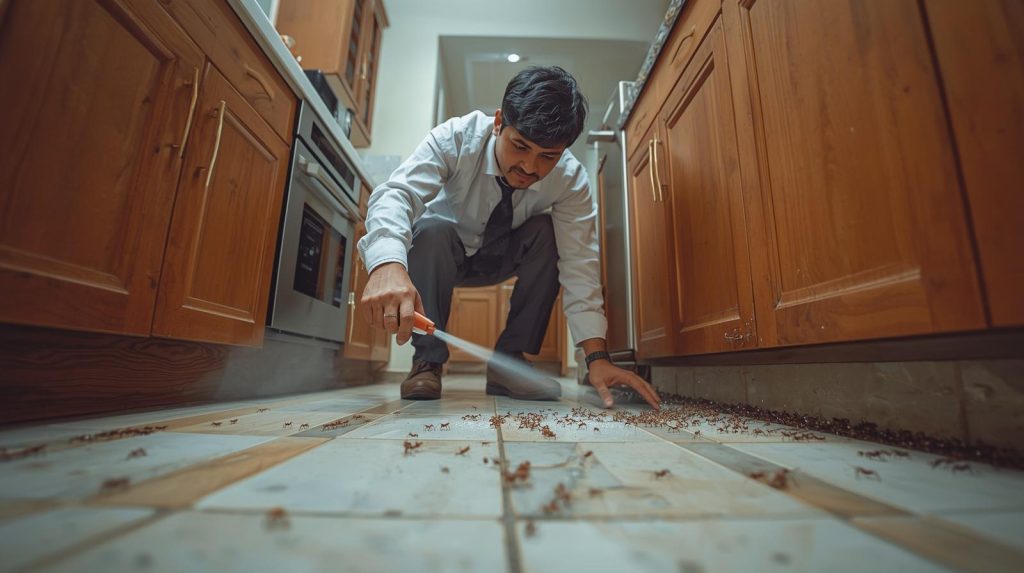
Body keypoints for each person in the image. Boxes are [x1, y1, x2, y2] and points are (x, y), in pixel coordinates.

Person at [357, 65, 660, 410]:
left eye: (548, 156)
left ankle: (509, 362)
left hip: (504, 255)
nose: (530, 167)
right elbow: (397, 194)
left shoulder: (570, 180)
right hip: (443, 255)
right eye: (520, 146)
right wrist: (387, 263)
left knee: (547, 231)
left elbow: (580, 265)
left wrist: (597, 358)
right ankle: (427, 362)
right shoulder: (457, 138)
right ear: (499, 122)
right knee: (431, 229)